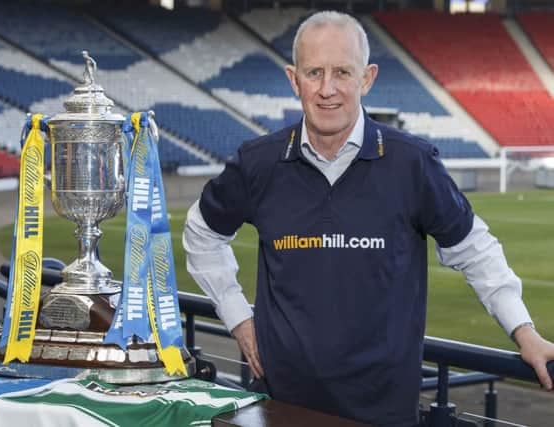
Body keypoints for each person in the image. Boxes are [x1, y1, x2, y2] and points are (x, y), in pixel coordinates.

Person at [182, 10, 554, 426]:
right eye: (314, 72)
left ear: (367, 78)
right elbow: (201, 234)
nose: (327, 90)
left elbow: (474, 250)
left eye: (342, 72)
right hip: (280, 406)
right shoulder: (258, 164)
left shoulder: (412, 164)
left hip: (383, 414)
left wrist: (524, 331)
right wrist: (238, 317)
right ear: (293, 79)